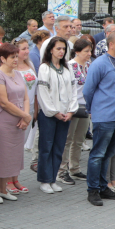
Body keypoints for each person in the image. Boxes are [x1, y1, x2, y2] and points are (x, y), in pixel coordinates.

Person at [83, 31, 115, 206]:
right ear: (111, 45)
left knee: (109, 153)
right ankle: (93, 190)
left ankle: (104, 186)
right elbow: (87, 90)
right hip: (104, 116)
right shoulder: (99, 64)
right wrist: (93, 109)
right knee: (97, 154)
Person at [0, 42, 31, 203]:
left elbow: (25, 97)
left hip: (17, 120)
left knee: (11, 156)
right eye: (12, 57)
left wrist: (24, 116)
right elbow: (3, 102)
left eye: (17, 56)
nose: (16, 59)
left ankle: (4, 189)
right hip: (2, 120)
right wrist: (24, 116)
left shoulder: (16, 73)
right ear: (2, 58)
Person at [36, 36, 76, 194]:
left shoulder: (67, 69)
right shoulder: (44, 68)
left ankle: (53, 178)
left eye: (63, 49)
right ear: (50, 49)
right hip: (49, 115)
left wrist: (71, 110)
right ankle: (44, 180)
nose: (61, 51)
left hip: (65, 115)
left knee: (59, 147)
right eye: (58, 48)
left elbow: (73, 92)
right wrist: (54, 112)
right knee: (46, 147)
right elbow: (43, 93)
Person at [60, 36, 93, 186]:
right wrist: (68, 108)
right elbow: (66, 89)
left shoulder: (89, 65)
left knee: (79, 140)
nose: (89, 53)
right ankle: (62, 171)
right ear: (77, 52)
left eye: (90, 50)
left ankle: (75, 168)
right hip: (72, 107)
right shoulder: (69, 66)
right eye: (86, 51)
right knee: (67, 139)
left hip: (85, 107)